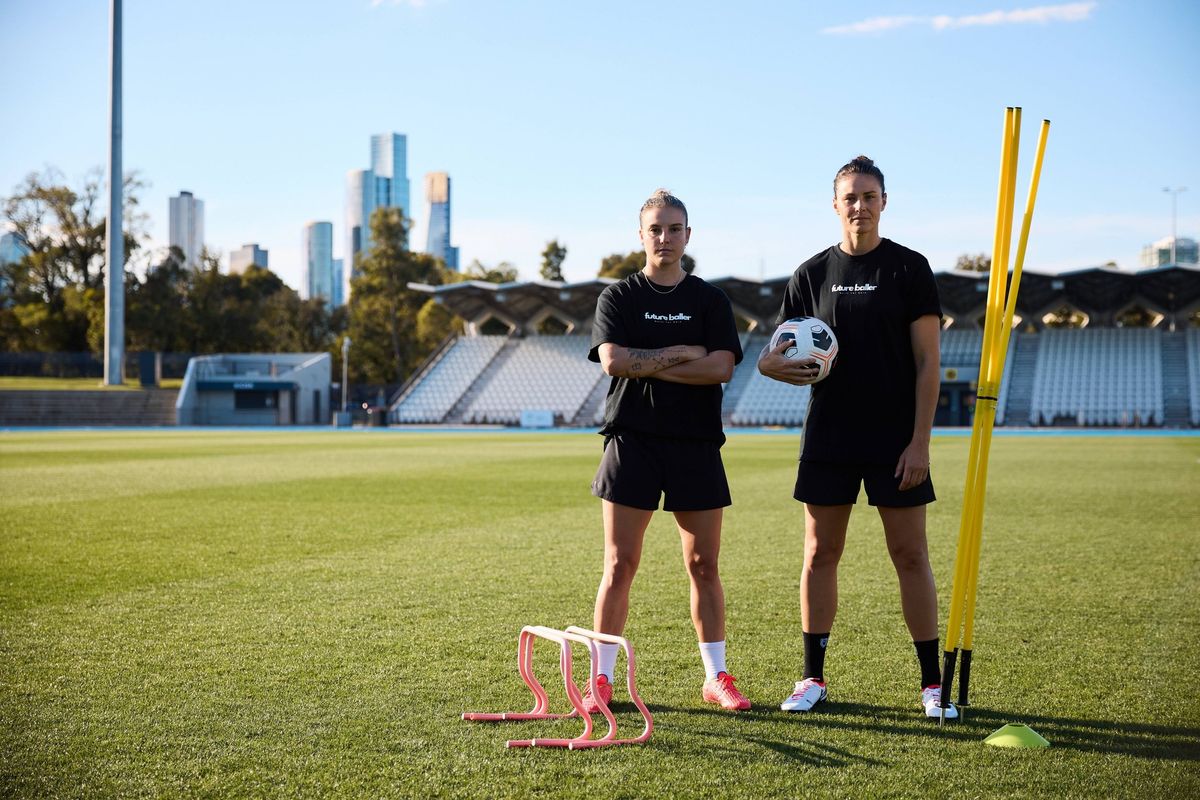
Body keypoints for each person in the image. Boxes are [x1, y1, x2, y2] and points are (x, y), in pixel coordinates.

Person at [758, 156, 956, 719]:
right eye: (850, 197)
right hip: (830, 432)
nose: (859, 206)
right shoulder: (810, 275)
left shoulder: (908, 269)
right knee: (820, 552)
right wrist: (776, 368)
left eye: (869, 196)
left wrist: (920, 441)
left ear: (884, 202)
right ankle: (811, 678)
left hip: (895, 436)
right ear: (835, 203)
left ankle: (931, 685)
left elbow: (927, 362)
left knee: (910, 554)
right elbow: (775, 357)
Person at [584, 189, 750, 712]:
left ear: (688, 235)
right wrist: (684, 353)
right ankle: (602, 681)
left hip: (695, 445)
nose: (665, 237)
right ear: (641, 234)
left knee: (704, 564)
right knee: (619, 564)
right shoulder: (618, 298)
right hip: (632, 440)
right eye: (655, 229)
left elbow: (721, 367)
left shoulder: (709, 300)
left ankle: (716, 677)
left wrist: (648, 358)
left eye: (674, 228)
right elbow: (614, 362)